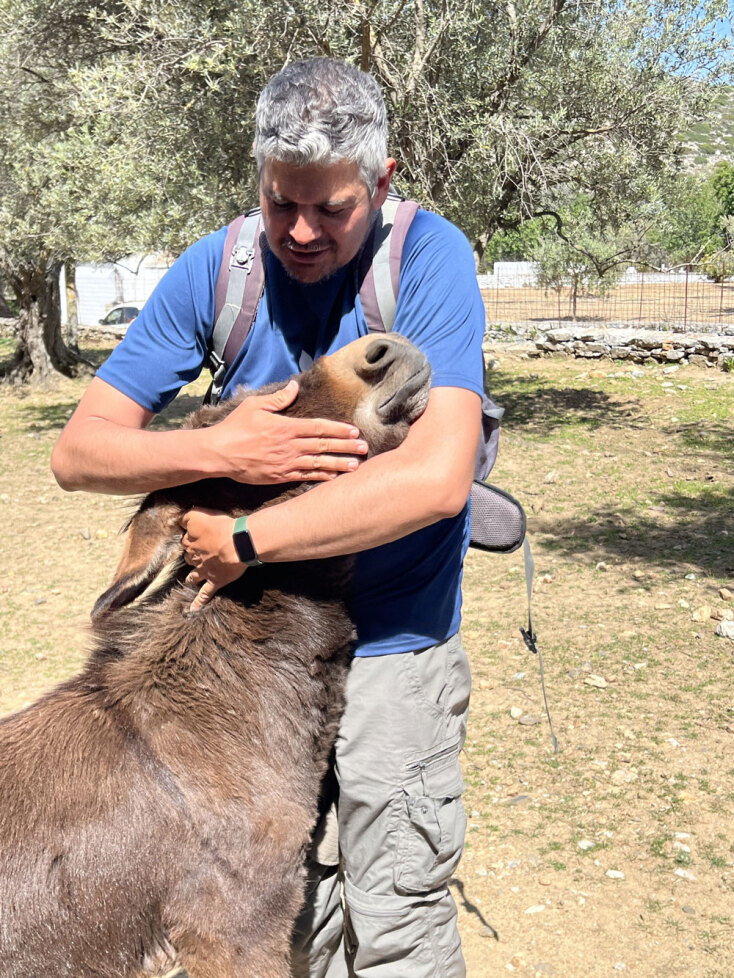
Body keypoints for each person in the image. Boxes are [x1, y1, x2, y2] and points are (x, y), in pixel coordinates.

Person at [52, 57, 485, 978]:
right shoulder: (220, 269)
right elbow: (80, 452)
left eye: (331, 210)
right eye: (280, 201)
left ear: (381, 181)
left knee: (396, 915)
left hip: (391, 644)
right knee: (275, 910)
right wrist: (221, 453)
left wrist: (242, 539)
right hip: (253, 667)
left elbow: (441, 476)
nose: (300, 230)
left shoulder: (431, 257)